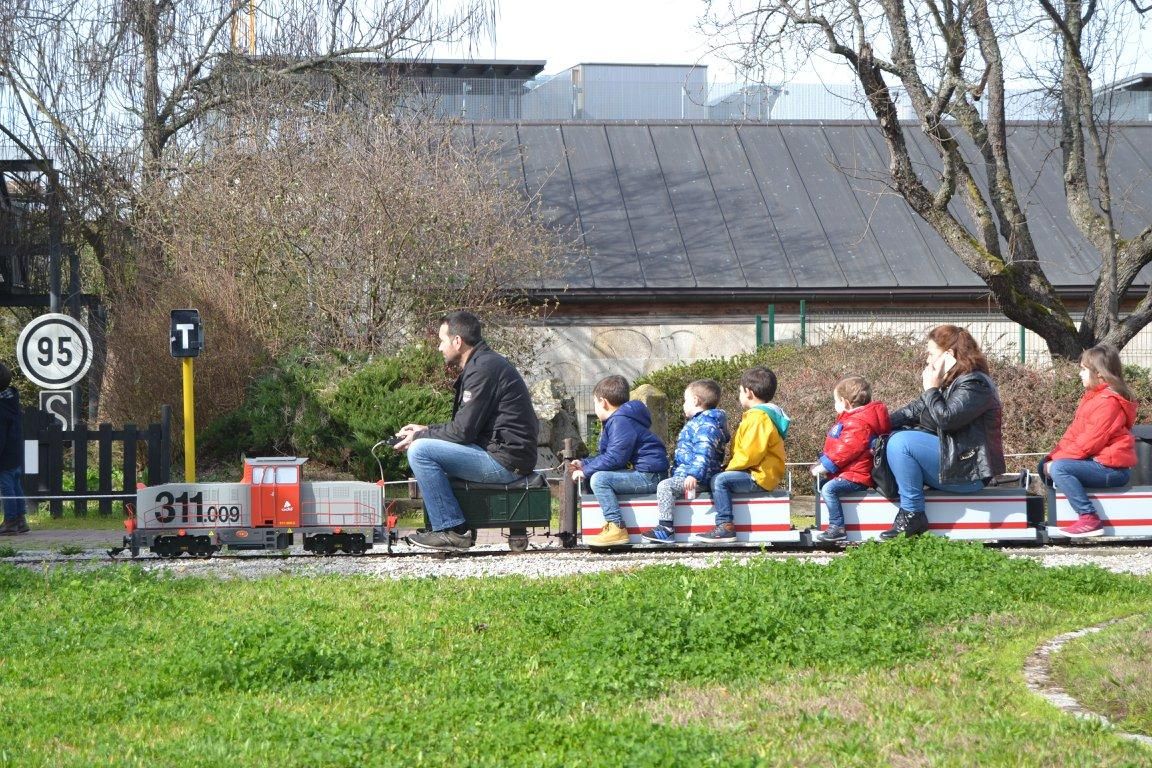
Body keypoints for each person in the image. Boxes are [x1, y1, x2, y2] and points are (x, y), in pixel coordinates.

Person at [393, 311, 539, 553]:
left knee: (420, 451)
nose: (439, 347)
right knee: (424, 444)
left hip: (505, 461)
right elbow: (465, 427)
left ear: (457, 341)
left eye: (442, 340)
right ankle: (448, 527)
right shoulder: (483, 364)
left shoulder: (482, 369)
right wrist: (427, 429)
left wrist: (419, 437)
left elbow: (462, 433)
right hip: (501, 453)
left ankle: (451, 531)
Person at [881, 325, 1005, 539]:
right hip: (955, 465)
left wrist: (930, 389)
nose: (928, 361)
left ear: (949, 355)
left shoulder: (975, 384)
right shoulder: (949, 383)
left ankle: (912, 513)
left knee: (901, 443)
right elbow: (912, 410)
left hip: (969, 473)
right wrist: (872, 425)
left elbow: (946, 419)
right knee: (887, 437)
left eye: (931, 354)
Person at [1040, 344, 1138, 538]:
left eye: (1083, 369)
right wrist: (1052, 456)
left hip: (1112, 469)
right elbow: (1073, 434)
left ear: (1100, 374)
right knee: (1046, 464)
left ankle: (1089, 518)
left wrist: (1057, 462)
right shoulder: (1092, 398)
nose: (1080, 374)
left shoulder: (1107, 402)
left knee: (1059, 468)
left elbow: (1090, 442)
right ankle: (1062, 514)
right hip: (1098, 463)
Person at [572, 375, 669, 548]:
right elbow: (609, 454)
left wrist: (586, 471)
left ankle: (616, 527)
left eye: (594, 403)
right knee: (598, 475)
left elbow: (616, 458)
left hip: (650, 476)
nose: (595, 409)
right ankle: (610, 525)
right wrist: (585, 463)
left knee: (599, 479)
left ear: (603, 402)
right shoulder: (620, 419)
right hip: (648, 473)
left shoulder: (620, 421)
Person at [700, 366, 787, 543]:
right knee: (721, 477)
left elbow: (750, 454)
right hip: (756, 472)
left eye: (740, 391)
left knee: (720, 480)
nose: (739, 395)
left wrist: (729, 469)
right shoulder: (757, 416)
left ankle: (725, 525)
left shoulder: (758, 417)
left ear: (749, 392)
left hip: (759, 475)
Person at [640, 379, 729, 544]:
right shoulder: (700, 423)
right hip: (693, 474)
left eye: (685, 400)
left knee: (665, 486)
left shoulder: (705, 425)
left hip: (699, 477)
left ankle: (666, 529)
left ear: (695, 401)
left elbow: (704, 452)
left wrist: (694, 475)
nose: (683, 405)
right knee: (668, 484)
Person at [811, 375, 890, 543]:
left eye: (836, 401)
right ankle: (824, 522)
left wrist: (825, 465)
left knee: (829, 489)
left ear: (845, 403)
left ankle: (837, 528)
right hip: (848, 472)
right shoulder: (851, 420)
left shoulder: (857, 424)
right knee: (821, 485)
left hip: (856, 475)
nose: (834, 406)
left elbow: (845, 450)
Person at [0, 363, 27, 536]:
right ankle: (20, 519)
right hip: (15, 452)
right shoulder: (11, 399)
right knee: (16, 485)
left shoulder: (1, 408)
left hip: (4, 455)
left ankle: (10, 521)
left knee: (6, 487)